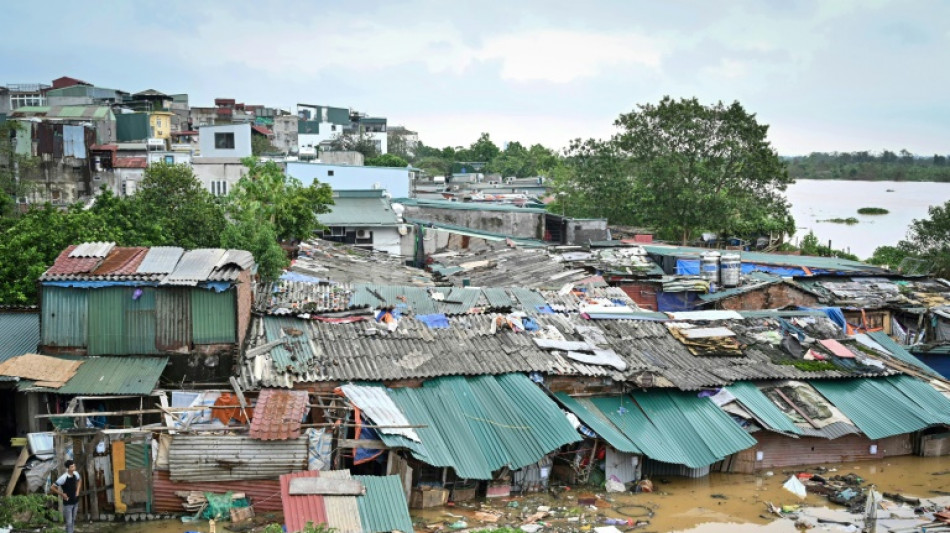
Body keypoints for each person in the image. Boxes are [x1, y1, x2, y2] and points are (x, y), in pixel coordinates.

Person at [51, 459, 81, 533]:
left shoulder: (76, 473)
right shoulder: (63, 478)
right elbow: (52, 487)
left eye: (74, 466)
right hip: (68, 502)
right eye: (72, 467)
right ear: (68, 468)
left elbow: (79, 480)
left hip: (75, 500)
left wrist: (77, 491)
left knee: (73, 520)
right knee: (69, 522)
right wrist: (62, 494)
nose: (74, 467)